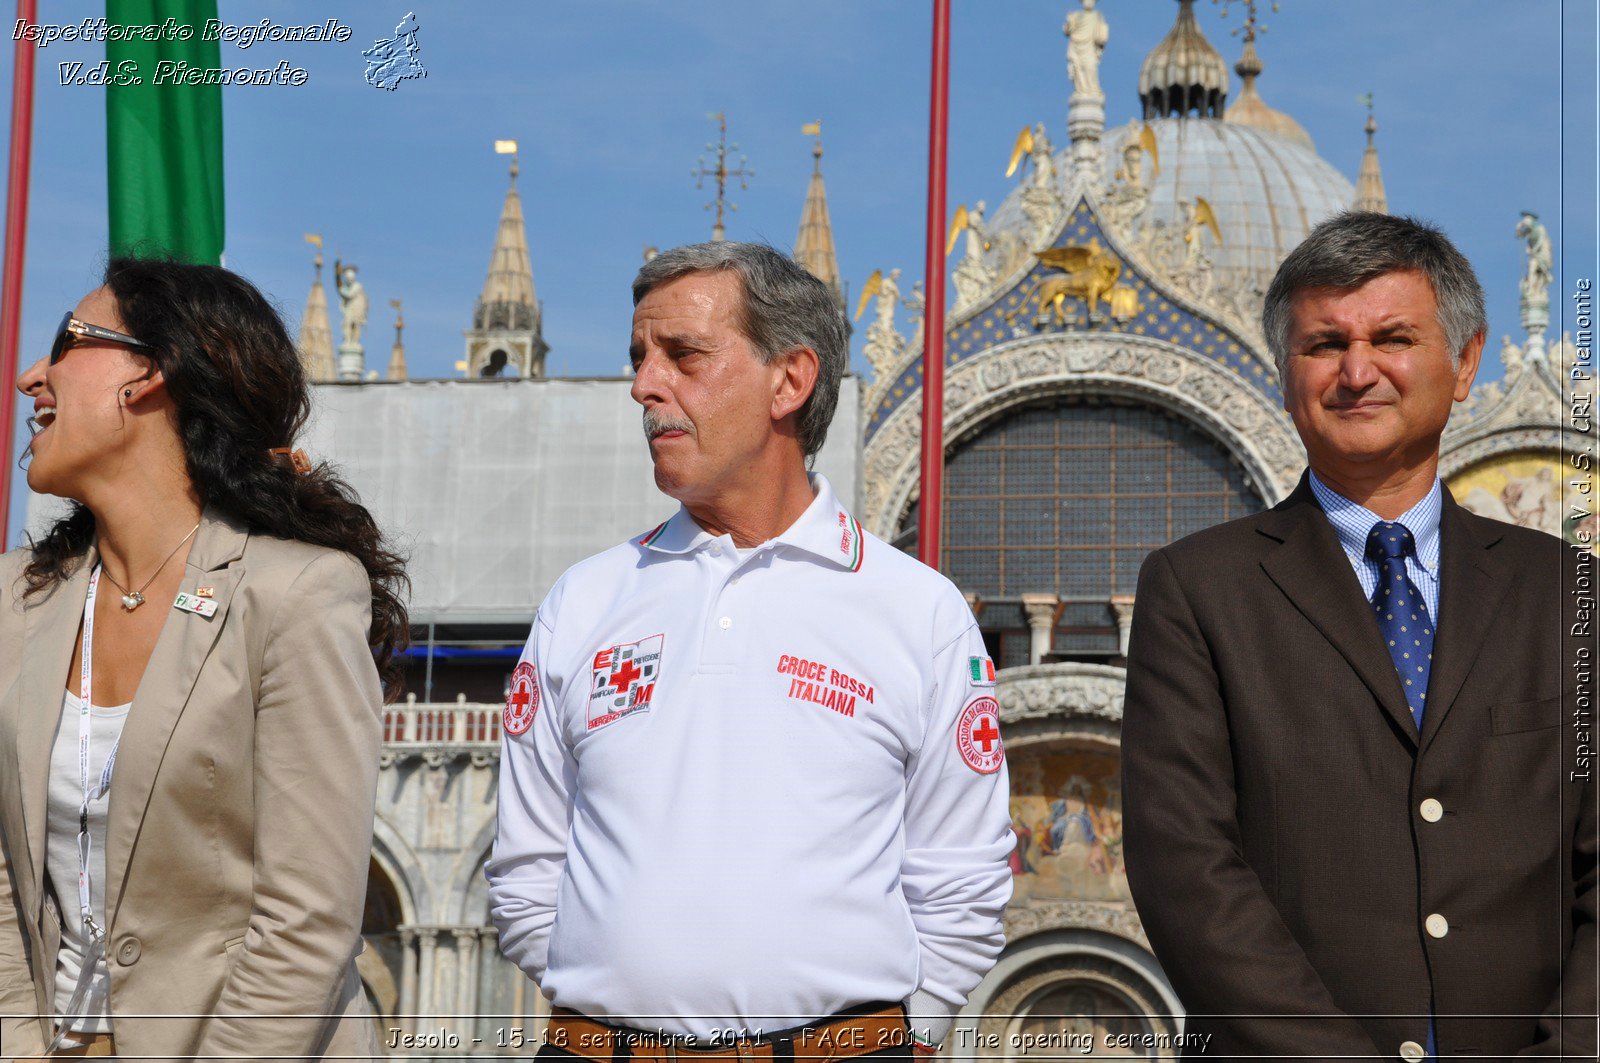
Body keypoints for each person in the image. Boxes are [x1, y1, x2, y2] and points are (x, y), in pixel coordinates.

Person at [486, 242, 1013, 1060]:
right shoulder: (583, 601)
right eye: (640, 358)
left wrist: (904, 1032)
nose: (643, 385)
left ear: (790, 381)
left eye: (683, 356)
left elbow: (962, 874)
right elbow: (526, 865)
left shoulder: (917, 610)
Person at [1121, 211, 1596, 1059]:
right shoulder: (1198, 589)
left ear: (1465, 363)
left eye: (1394, 337)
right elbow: (1186, 873)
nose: (1357, 370)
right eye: (1323, 344)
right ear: (1282, 373)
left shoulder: (1565, 590)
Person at [0, 258, 409, 1059]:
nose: (29, 376)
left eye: (66, 343)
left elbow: (306, 921)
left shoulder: (296, 594)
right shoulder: (18, 602)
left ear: (149, 374)